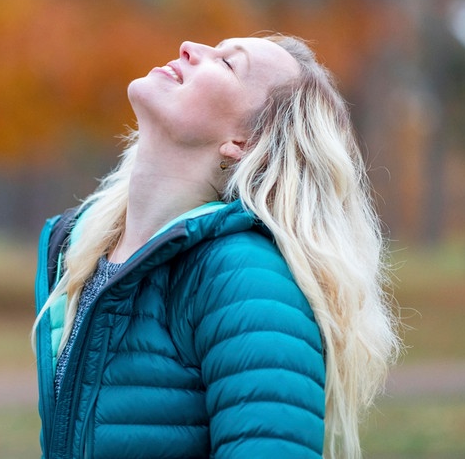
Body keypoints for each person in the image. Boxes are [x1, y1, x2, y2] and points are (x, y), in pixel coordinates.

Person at [31, 34, 400, 459]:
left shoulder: (245, 278)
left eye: (227, 64)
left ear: (243, 143)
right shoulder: (85, 258)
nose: (189, 46)